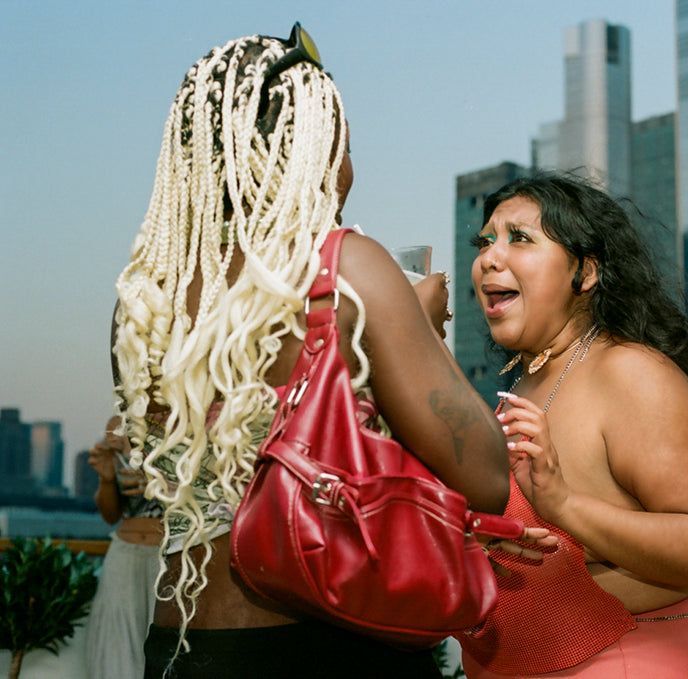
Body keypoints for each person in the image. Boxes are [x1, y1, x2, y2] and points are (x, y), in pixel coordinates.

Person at [111, 24, 511, 679]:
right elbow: (486, 473)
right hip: (324, 641)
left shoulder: (142, 298)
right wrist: (412, 324)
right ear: (307, 143)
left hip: (181, 646)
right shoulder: (348, 267)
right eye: (342, 133)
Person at [457, 174, 688, 678]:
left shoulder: (630, 371)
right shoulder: (523, 384)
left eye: (519, 238)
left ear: (585, 273)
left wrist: (564, 505)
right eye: (485, 242)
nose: (488, 259)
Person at [82, 414, 164, 679]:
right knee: (117, 649)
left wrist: (157, 484)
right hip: (124, 557)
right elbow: (110, 515)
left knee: (164, 646)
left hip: (168, 558)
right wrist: (107, 480)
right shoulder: (118, 422)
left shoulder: (188, 418)